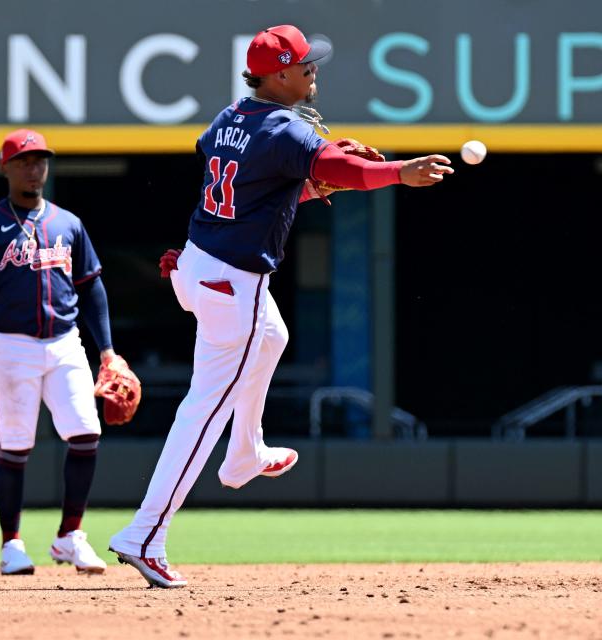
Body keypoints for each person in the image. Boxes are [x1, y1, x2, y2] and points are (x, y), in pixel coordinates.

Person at [108, 25, 453, 588]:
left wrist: (317, 175)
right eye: (304, 64)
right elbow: (337, 169)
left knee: (272, 337)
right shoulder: (284, 129)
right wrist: (398, 172)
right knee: (201, 413)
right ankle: (145, 535)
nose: (314, 69)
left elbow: (264, 185)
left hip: (199, 265)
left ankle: (245, 452)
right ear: (276, 74)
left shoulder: (229, 117)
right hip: (230, 283)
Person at [0, 129, 128, 576]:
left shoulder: (67, 223)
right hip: (11, 345)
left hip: (65, 342)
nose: (34, 167)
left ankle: (70, 537)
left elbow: (92, 287)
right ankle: (12, 545)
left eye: (40, 159)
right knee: (15, 447)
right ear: (6, 167)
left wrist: (108, 351)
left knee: (86, 435)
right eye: (25, 160)